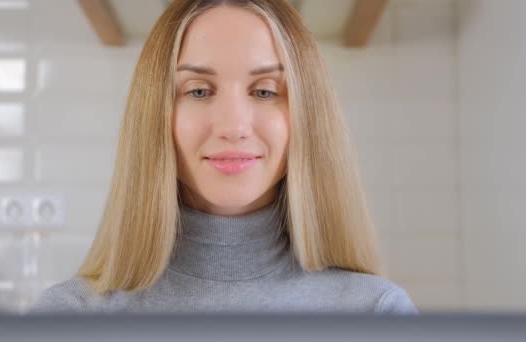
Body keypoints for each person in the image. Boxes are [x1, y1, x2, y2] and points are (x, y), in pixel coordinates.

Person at [31, 0, 417, 314]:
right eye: (198, 91)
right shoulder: (69, 316)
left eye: (265, 91)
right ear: (154, 117)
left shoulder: (376, 312)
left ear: (307, 119)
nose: (233, 127)